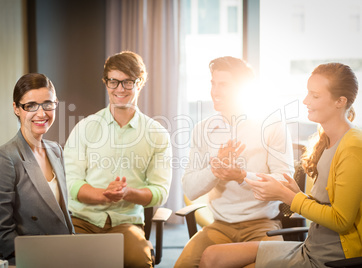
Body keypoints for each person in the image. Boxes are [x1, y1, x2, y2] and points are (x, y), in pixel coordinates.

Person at [199, 62, 362, 268]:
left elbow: (341, 220)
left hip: (330, 258)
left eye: (315, 96)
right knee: (212, 256)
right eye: (307, 93)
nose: (305, 101)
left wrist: (288, 197)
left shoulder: (353, 146)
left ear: (340, 101)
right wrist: (298, 194)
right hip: (310, 247)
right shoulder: (327, 141)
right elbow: (327, 204)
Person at [174, 56, 295, 268]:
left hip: (262, 225)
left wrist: (242, 176)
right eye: (213, 83)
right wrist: (215, 170)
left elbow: (285, 181)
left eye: (223, 85)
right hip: (220, 226)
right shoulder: (203, 129)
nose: (215, 91)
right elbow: (190, 189)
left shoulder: (272, 124)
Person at [64, 51, 172, 268]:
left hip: (126, 224)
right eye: (113, 81)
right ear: (106, 82)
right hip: (82, 221)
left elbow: (160, 191)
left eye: (127, 82)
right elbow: (70, 182)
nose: (119, 89)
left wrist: (128, 194)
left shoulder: (157, 133)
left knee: (139, 261)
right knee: (65, 260)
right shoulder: (84, 128)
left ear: (140, 83)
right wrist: (103, 195)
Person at [0, 73, 75, 263]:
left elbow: (64, 216)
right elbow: (1, 235)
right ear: (16, 108)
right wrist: (44, 258)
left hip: (65, 252)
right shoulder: (4, 157)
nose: (41, 113)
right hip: (32, 259)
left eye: (48, 104)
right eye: (30, 106)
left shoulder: (56, 150)